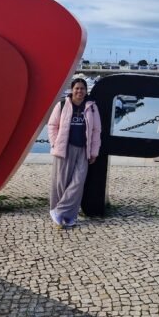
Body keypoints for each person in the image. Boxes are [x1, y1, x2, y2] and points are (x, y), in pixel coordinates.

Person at [48, 78, 101, 228]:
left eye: (82, 88)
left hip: (83, 149)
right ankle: (65, 216)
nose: (79, 91)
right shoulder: (62, 105)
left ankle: (61, 212)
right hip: (65, 148)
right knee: (61, 183)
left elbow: (96, 131)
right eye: (77, 88)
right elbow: (52, 125)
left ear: (86, 90)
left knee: (78, 183)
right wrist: (55, 143)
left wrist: (94, 152)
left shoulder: (92, 107)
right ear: (72, 90)